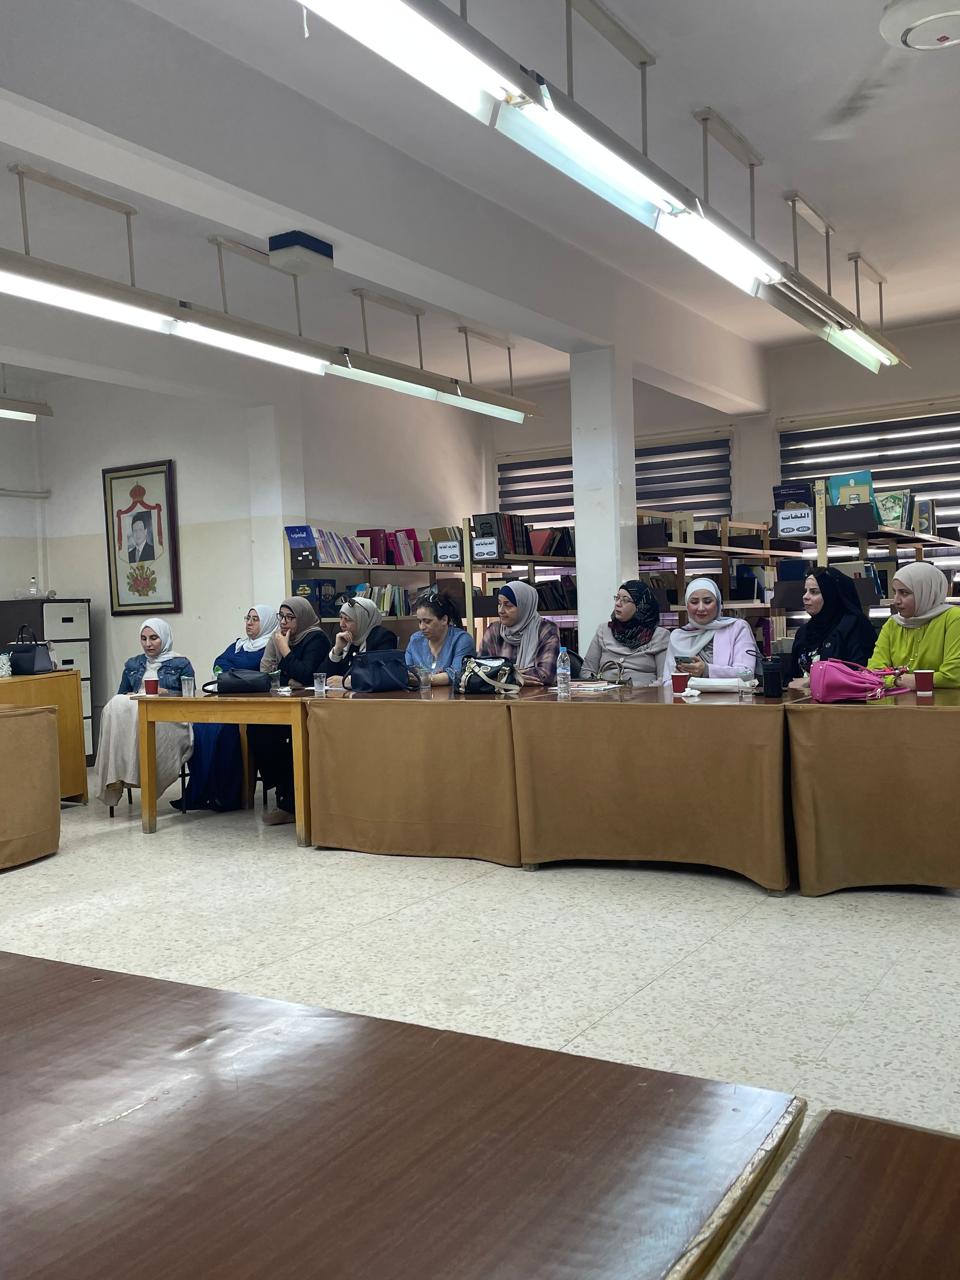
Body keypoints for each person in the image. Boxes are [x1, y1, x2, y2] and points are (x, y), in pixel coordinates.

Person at [174, 605, 279, 812]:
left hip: (253, 708)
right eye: (247, 618)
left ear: (267, 622)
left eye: (255, 619)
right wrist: (237, 673)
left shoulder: (271, 645)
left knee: (223, 731)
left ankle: (225, 795)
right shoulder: (239, 645)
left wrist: (233, 672)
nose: (249, 623)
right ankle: (201, 792)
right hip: (227, 703)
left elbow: (259, 670)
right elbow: (219, 663)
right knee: (201, 728)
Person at [94, 617, 194, 806]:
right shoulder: (133, 664)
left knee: (136, 710)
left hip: (169, 719)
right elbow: (121, 694)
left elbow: (190, 698)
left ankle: (144, 774)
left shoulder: (181, 664)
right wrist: (133, 695)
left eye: (154, 638)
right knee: (116, 704)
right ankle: (121, 772)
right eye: (144, 638)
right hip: (135, 717)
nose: (148, 644)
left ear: (164, 637)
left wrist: (167, 693)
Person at [251, 596, 332, 825]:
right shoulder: (278, 636)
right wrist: (289, 675)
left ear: (302, 618)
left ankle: (289, 803)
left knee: (285, 738)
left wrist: (285, 651)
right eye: (281, 616)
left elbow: (306, 676)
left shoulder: (316, 638)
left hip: (310, 707)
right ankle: (281, 791)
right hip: (283, 703)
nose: (284, 622)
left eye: (290, 617)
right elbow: (266, 670)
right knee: (257, 730)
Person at [868, 561, 960, 689]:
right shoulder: (892, 624)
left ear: (926, 592)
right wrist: (898, 681)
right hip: (899, 701)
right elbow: (873, 672)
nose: (896, 600)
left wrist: (906, 680)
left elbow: (954, 675)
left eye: (904, 593)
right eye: (895, 592)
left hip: (946, 701)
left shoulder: (953, 618)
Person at [788, 567, 877, 689]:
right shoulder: (804, 632)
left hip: (845, 698)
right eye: (805, 591)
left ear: (831, 594)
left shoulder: (854, 625)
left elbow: (859, 672)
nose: (805, 596)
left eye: (814, 592)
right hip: (802, 698)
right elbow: (792, 676)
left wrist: (812, 681)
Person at [664, 577, 758, 682]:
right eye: (694, 602)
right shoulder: (678, 637)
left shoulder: (737, 628)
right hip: (688, 693)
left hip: (728, 693)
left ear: (718, 604)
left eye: (707, 602)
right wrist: (681, 678)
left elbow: (747, 673)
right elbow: (667, 681)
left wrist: (707, 670)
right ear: (687, 605)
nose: (701, 608)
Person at [581, 580, 670, 686]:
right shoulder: (603, 630)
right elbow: (586, 672)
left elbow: (664, 679)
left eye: (625, 600)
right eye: (617, 598)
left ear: (640, 605)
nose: (618, 603)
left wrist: (644, 690)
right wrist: (597, 688)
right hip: (606, 694)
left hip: (643, 694)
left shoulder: (659, 635)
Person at [480, 581, 560, 687]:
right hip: (498, 695)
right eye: (499, 604)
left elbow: (545, 674)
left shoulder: (545, 629)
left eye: (508, 605)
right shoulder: (494, 630)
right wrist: (512, 677)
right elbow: (480, 672)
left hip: (537, 695)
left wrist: (502, 677)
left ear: (524, 606)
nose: (501, 611)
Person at [319, 597, 398, 685]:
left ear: (362, 620)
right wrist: (337, 651)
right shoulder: (343, 638)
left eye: (347, 619)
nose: (342, 624)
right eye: (341, 618)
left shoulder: (383, 638)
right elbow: (321, 678)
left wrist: (350, 681)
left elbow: (383, 674)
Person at [404, 591, 476, 686]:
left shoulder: (462, 640)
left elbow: (458, 674)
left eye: (427, 621)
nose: (422, 627)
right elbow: (406, 672)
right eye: (419, 621)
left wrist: (424, 679)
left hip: (453, 694)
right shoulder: (415, 640)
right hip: (419, 694)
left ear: (444, 620)